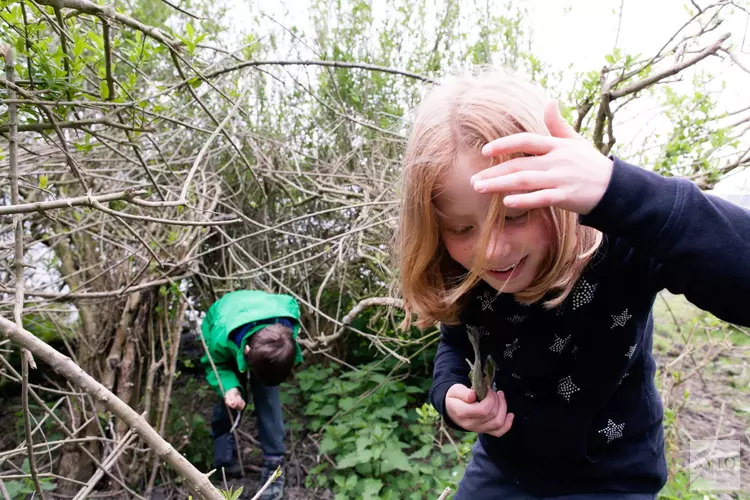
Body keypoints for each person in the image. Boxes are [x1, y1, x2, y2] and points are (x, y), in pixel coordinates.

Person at [396, 69, 750, 499]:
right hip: (505, 469)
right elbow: (455, 343)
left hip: (613, 474)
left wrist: (616, 190)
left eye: (515, 215)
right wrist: (449, 394)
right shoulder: (466, 272)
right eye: (462, 228)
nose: (491, 252)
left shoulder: (623, 243)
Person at [200, 290, 304, 500]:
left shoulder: (288, 324)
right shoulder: (220, 335)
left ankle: (274, 466)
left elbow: (291, 303)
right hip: (226, 322)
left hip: (262, 329)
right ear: (246, 351)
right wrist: (230, 387)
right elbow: (215, 365)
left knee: (268, 398)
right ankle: (223, 460)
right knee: (229, 399)